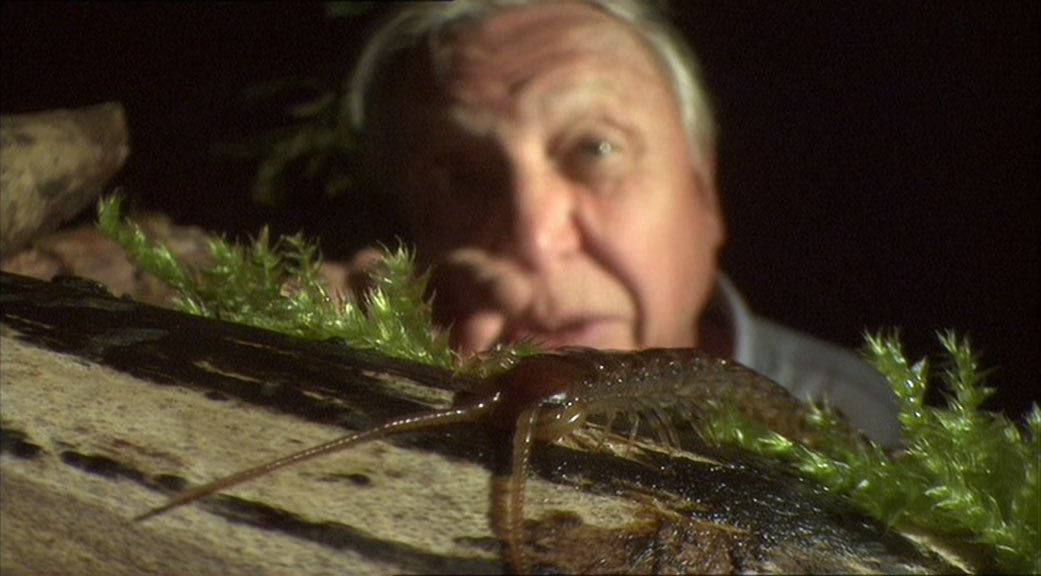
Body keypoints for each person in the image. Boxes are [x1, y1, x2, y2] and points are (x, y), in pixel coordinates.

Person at [345, 0, 901, 446]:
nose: (536, 238)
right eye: (460, 176)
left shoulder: (874, 418)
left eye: (596, 146)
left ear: (703, 188)